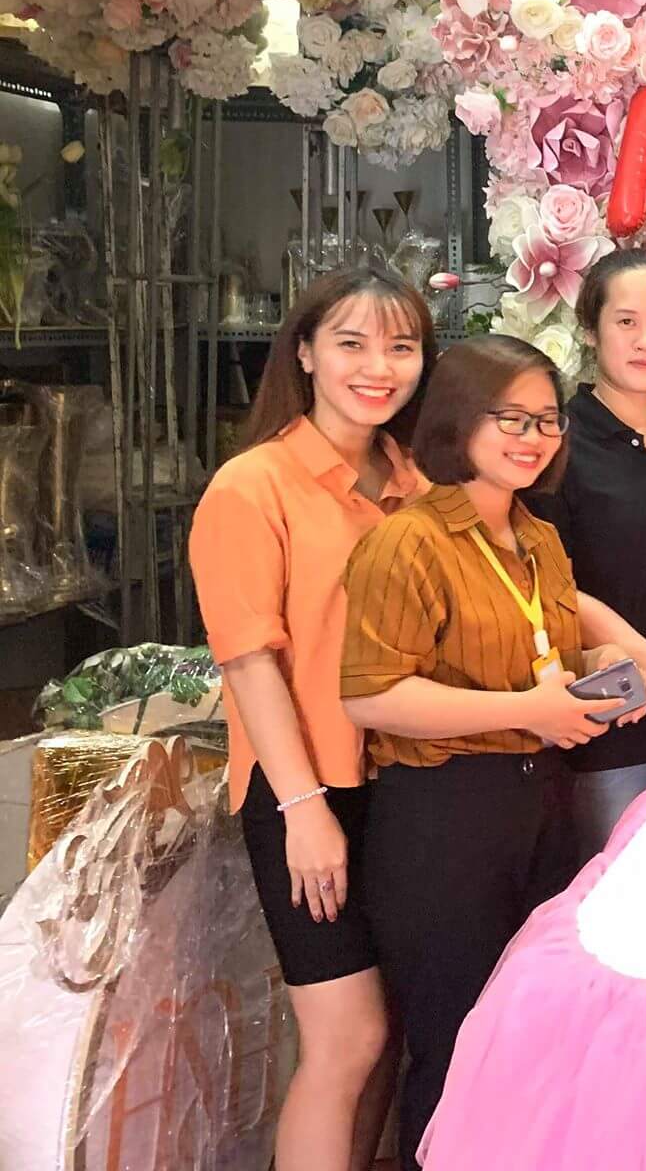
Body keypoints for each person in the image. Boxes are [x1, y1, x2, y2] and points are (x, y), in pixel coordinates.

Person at [338, 337, 646, 1171]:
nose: (532, 437)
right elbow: (370, 695)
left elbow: (546, 653)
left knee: (530, 1038)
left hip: (539, 801)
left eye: (547, 420)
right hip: (441, 819)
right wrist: (529, 711)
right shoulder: (408, 541)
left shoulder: (536, 536)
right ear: (457, 420)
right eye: (509, 418)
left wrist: (604, 676)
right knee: (453, 1046)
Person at [189, 269, 433, 1171]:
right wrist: (303, 810)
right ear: (303, 353)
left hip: (403, 782)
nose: (379, 368)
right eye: (352, 345)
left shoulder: (411, 480)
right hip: (306, 788)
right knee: (346, 1037)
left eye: (401, 347)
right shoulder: (253, 485)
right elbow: (249, 661)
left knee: (390, 1029)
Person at [523, 249, 646, 859]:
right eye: (626, 322)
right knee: (610, 893)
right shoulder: (555, 444)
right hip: (607, 728)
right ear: (591, 329)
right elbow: (550, 586)